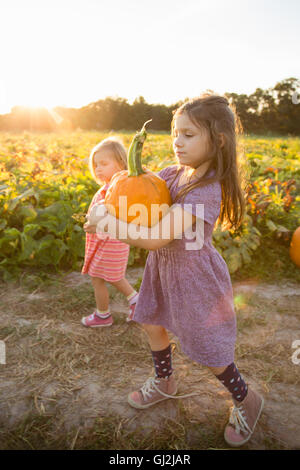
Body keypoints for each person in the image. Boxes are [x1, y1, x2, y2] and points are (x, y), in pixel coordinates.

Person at [84, 95, 264, 447]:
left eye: (189, 135)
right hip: (164, 270)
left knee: (206, 347)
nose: (177, 142)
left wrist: (106, 222)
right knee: (153, 322)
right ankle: (166, 382)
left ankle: (246, 398)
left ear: (219, 140)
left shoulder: (206, 190)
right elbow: (134, 195)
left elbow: (154, 238)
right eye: (174, 134)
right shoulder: (172, 174)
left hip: (195, 278)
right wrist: (106, 207)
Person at [81, 137, 139, 327]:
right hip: (106, 242)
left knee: (104, 278)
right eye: (96, 164)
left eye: (104, 164)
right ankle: (133, 302)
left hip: (110, 243)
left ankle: (104, 315)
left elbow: (113, 216)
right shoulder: (111, 186)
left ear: (121, 163)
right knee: (109, 277)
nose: (98, 168)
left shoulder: (116, 188)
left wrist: (95, 225)